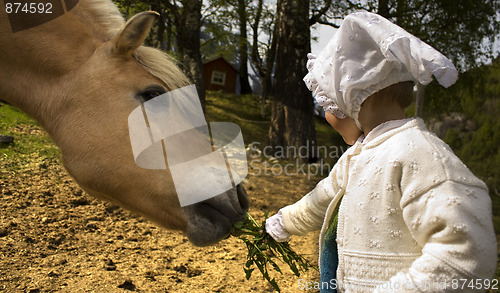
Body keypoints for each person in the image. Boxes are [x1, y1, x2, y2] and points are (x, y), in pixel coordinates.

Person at [265, 11, 497, 292]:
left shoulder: (423, 156)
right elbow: (324, 197)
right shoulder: (358, 154)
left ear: (351, 98)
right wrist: (285, 221)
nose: (325, 114)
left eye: (327, 103)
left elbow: (467, 257)